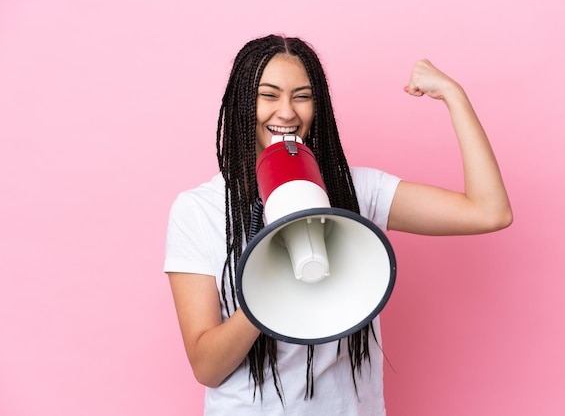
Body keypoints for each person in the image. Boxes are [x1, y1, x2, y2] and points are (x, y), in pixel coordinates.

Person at [164, 34, 512, 416]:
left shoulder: (356, 191)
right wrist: (268, 287)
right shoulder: (198, 210)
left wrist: (453, 95)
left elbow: (489, 211)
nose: (287, 112)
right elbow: (207, 367)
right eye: (269, 95)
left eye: (302, 96)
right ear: (242, 104)